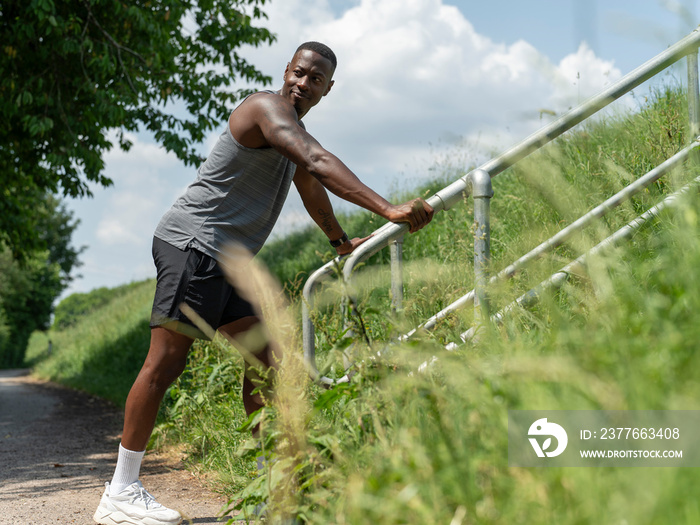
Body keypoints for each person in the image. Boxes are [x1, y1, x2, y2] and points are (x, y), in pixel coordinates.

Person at [93, 41, 434, 525]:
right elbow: (315, 161)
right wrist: (389, 208)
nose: (303, 83)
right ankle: (120, 493)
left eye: (315, 79)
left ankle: (273, 483)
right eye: (298, 73)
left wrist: (339, 241)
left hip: (228, 260)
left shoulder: (293, 132)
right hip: (193, 243)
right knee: (166, 360)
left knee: (269, 359)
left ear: (327, 88)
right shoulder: (265, 109)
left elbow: (309, 182)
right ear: (286, 71)